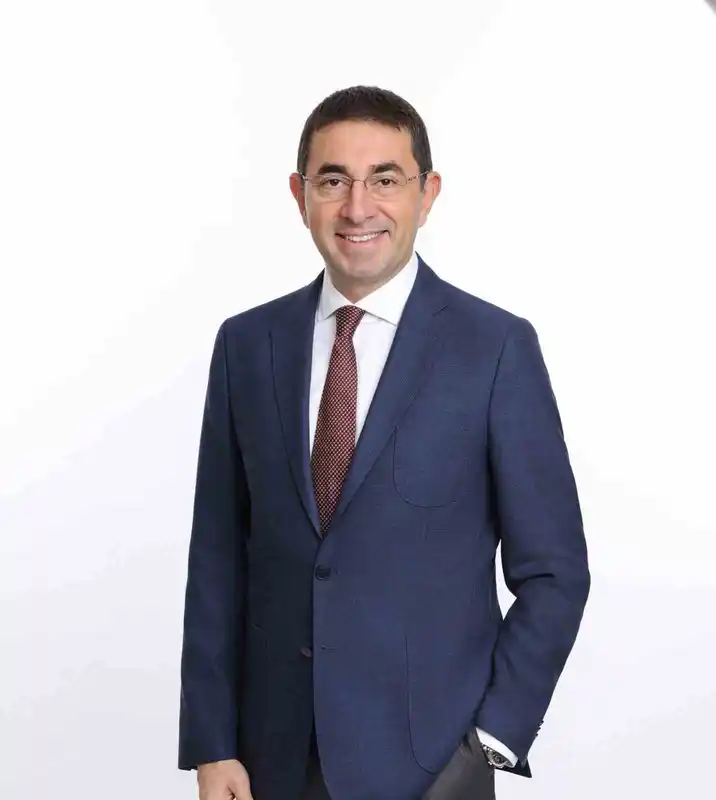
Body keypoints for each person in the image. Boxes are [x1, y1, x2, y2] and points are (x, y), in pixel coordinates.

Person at [178, 85, 590, 800]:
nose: (357, 207)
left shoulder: (494, 349)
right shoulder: (247, 345)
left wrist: (489, 743)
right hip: (270, 763)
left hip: (433, 769)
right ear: (300, 195)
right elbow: (218, 559)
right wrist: (212, 745)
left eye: (386, 180)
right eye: (333, 180)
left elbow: (555, 573)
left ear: (427, 195)